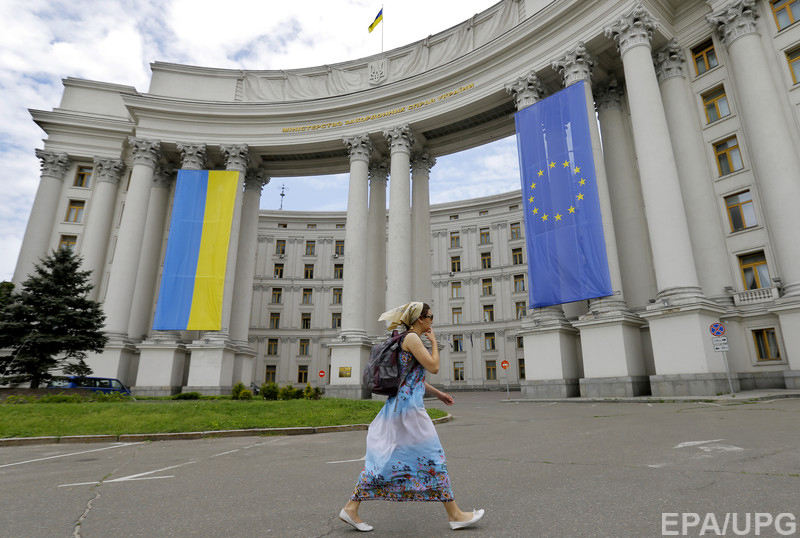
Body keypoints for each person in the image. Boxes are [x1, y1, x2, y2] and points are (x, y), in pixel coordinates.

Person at [339, 301, 485, 532]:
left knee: (387, 459)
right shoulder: (413, 339)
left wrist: (438, 394)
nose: (432, 321)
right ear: (419, 319)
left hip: (402, 407)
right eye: (430, 316)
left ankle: (351, 507)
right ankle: (455, 514)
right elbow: (434, 367)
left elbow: (412, 377)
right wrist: (434, 343)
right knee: (432, 458)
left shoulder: (407, 340)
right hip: (408, 411)